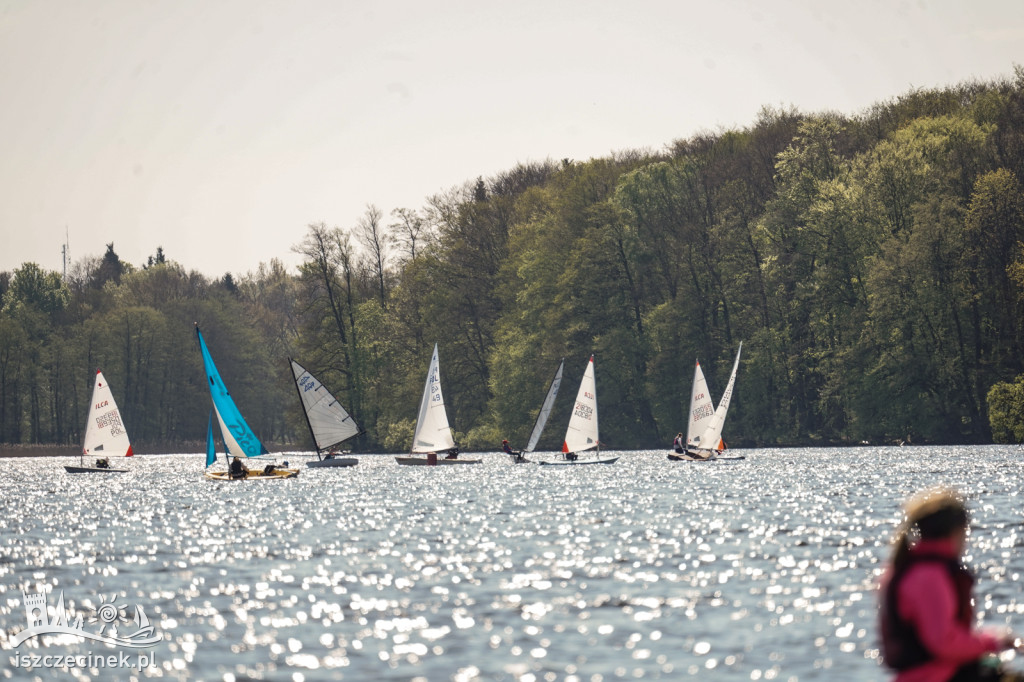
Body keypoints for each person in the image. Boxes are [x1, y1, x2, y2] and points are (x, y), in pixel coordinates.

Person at [878, 486, 1020, 681]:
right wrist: (994, 642)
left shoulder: (906, 568)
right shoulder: (929, 577)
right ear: (956, 532)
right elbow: (943, 642)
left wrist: (1000, 638)